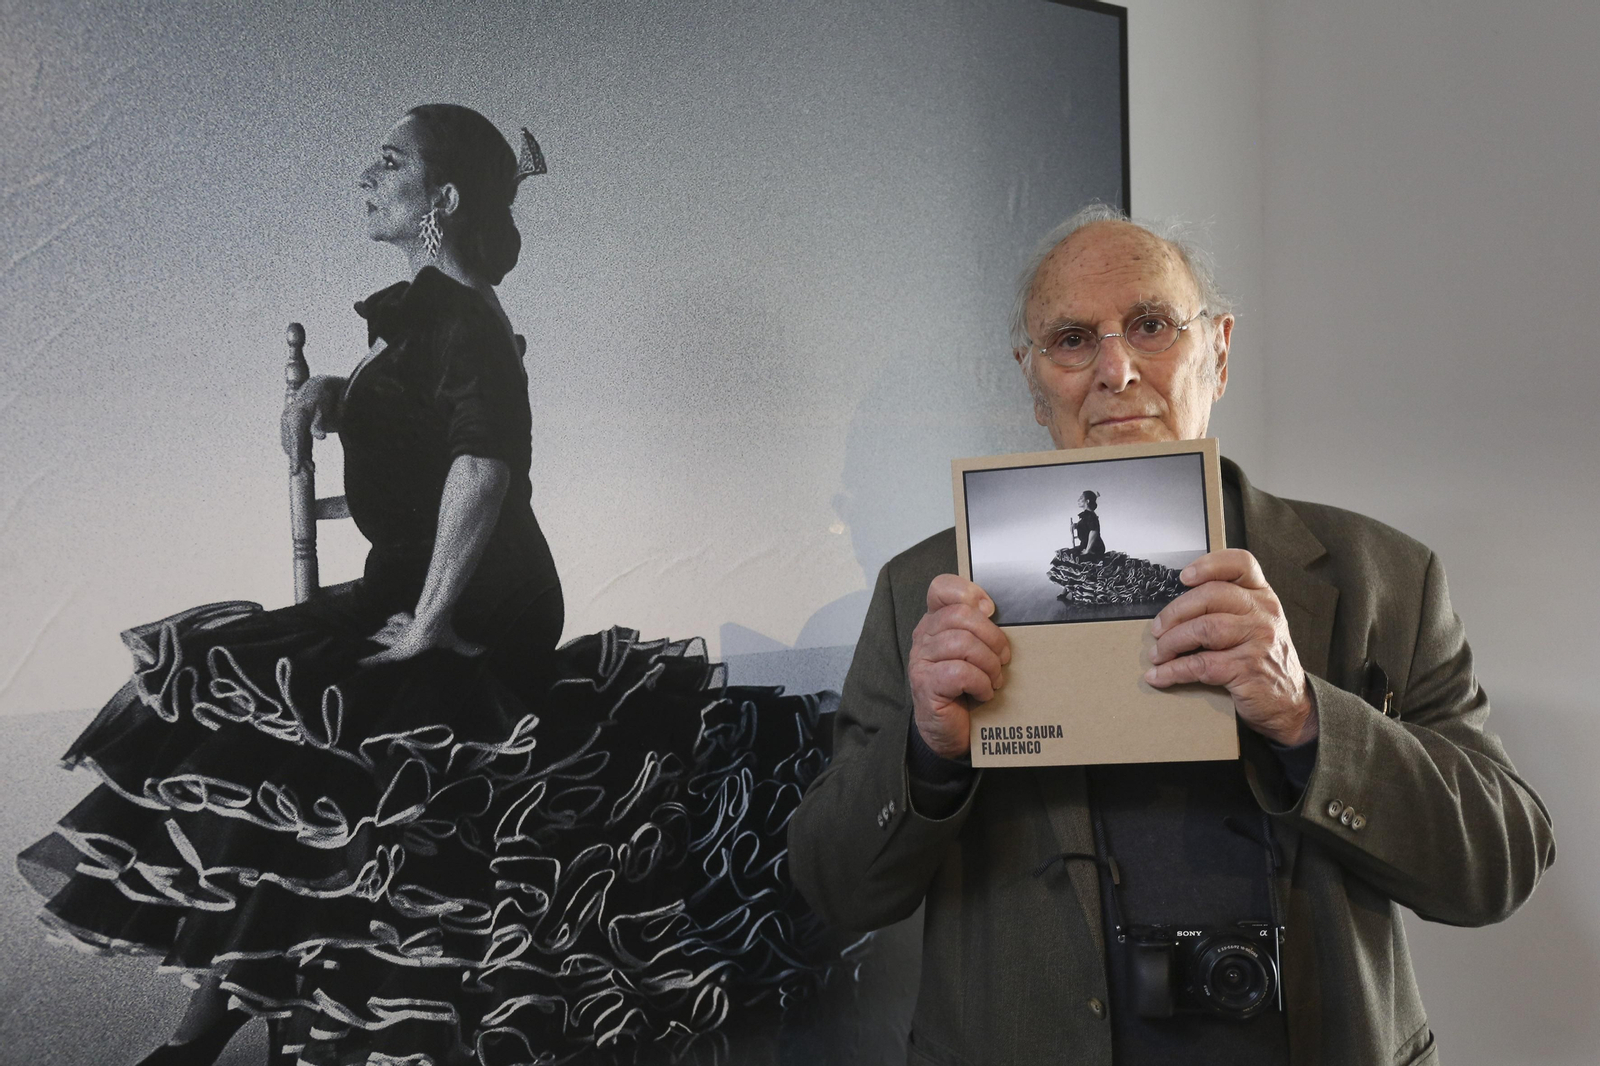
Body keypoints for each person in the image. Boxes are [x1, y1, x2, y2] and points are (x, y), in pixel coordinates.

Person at [19, 104, 836, 1066]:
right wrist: (337, 394)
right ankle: (213, 1023)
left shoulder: (464, 319)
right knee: (283, 763)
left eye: (389, 161)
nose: (368, 175)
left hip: (479, 603)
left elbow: (483, 467)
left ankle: (213, 1030)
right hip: (404, 582)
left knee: (321, 759)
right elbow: (416, 416)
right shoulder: (429, 316)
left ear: (440, 199)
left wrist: (430, 625)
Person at [787, 204, 1555, 1066]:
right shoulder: (920, 592)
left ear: (1218, 351)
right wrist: (926, 754)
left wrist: (1309, 720)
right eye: (1073, 339)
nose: (1115, 369)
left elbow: (1499, 866)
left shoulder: (1386, 576)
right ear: (1032, 382)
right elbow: (834, 885)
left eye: (1151, 326)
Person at [1070, 490, 1105, 557]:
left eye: (1081, 498)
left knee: (1073, 557)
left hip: (1094, 548)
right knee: (1065, 554)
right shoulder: (1086, 515)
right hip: (1084, 545)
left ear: (1087, 501)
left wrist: (1087, 550)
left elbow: (1094, 532)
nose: (1078, 500)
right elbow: (1086, 527)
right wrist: (1076, 526)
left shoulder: (1091, 515)